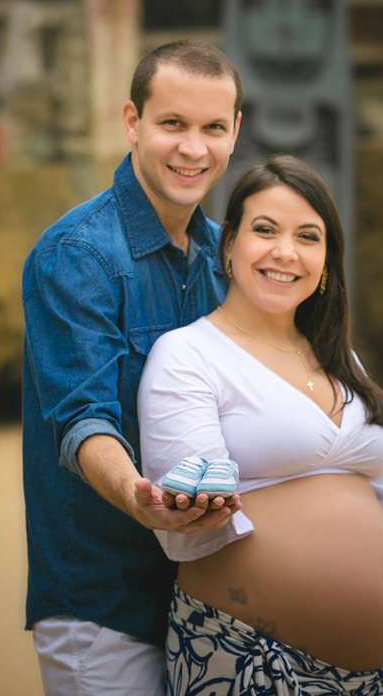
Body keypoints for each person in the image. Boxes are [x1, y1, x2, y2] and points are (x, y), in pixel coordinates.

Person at [139, 155, 383, 696]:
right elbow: (190, 503)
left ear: (326, 261)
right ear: (229, 244)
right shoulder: (188, 354)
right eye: (264, 230)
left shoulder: (338, 357)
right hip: (249, 654)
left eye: (308, 236)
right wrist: (190, 502)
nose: (286, 251)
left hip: (381, 675)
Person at [22, 39, 244, 696]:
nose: (191, 149)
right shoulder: (77, 254)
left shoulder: (225, 256)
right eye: (171, 124)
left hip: (210, 599)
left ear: (236, 131)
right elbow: (81, 419)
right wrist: (139, 498)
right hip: (103, 607)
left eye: (211, 128)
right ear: (132, 122)